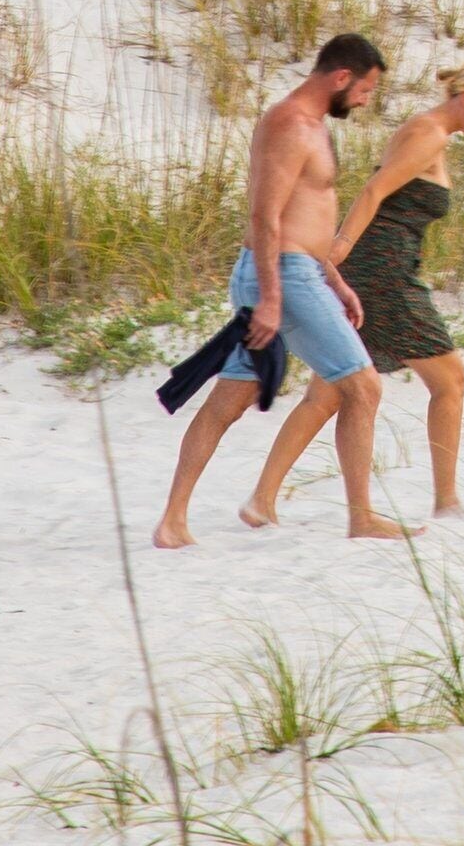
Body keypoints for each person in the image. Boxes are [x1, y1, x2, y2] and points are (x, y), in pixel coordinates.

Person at [154, 32, 406, 546]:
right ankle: (362, 516)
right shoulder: (290, 124)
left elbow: (302, 216)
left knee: (231, 399)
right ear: (342, 77)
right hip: (282, 276)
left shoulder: (311, 126)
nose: (364, 100)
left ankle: (173, 521)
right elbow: (264, 216)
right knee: (363, 385)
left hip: (300, 273)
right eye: (364, 89)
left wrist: (334, 279)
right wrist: (271, 297)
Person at [240, 60, 464, 525]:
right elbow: (373, 192)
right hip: (385, 275)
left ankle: (261, 500)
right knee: (450, 380)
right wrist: (339, 251)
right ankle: (447, 502)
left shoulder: (431, 133)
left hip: (382, 269)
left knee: (328, 393)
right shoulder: (428, 133)